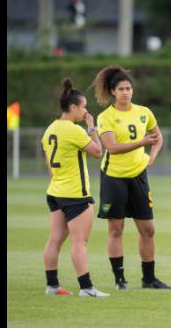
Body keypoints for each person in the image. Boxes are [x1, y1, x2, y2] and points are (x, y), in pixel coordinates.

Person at [91, 65, 171, 290]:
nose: (126, 92)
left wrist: (152, 156)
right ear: (113, 92)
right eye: (121, 88)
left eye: (128, 88)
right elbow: (112, 147)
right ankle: (119, 279)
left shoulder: (144, 112)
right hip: (114, 177)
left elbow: (158, 137)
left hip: (139, 176)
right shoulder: (106, 117)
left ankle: (149, 279)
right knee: (116, 229)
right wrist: (142, 143)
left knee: (148, 229)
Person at [42, 79, 110, 297]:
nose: (85, 110)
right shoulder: (74, 130)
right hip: (75, 195)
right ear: (72, 107)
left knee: (54, 240)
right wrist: (91, 127)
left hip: (55, 192)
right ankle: (87, 288)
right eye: (83, 107)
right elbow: (98, 151)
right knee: (80, 242)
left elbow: (49, 168)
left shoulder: (50, 130)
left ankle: (52, 286)